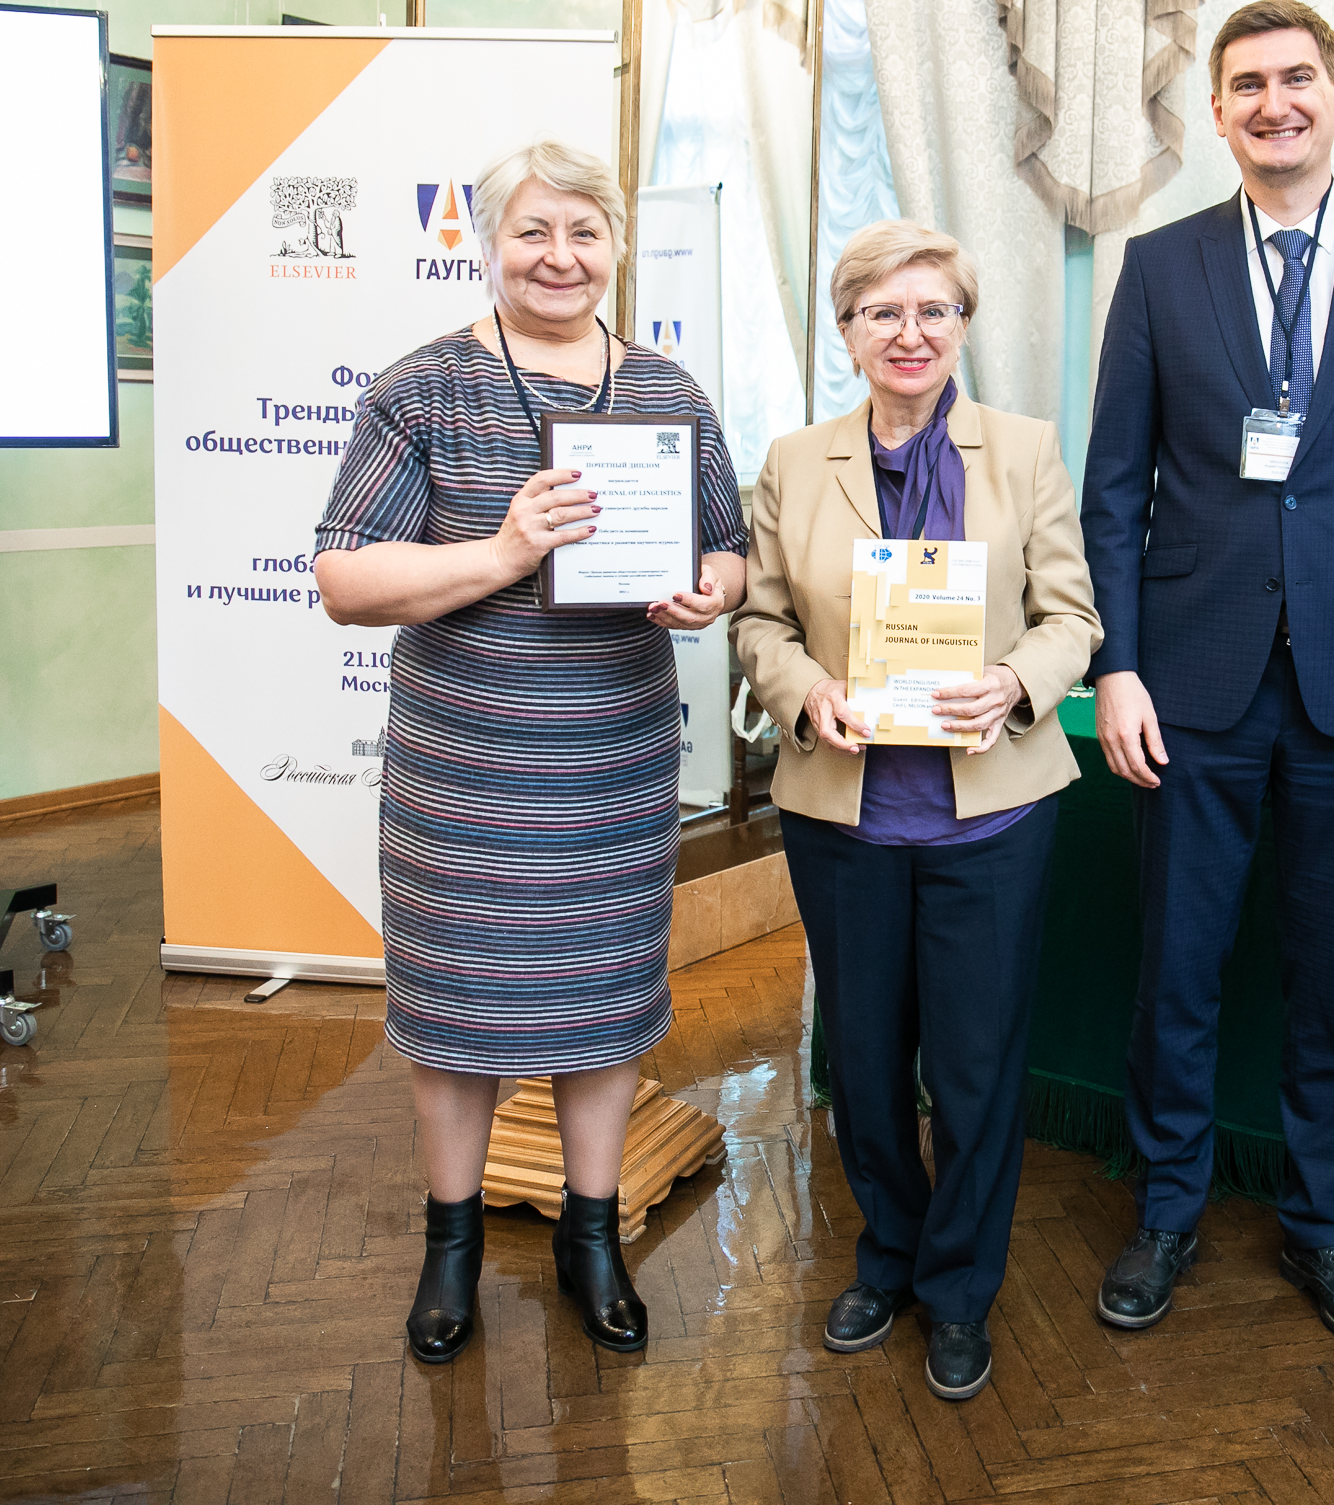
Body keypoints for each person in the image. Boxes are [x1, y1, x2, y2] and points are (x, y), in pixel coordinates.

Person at [1078, 0, 1334, 1351]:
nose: (1275, 103)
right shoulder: (1160, 265)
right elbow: (1113, 490)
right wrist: (1117, 664)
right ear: (1217, 112)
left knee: (1330, 976)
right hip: (1189, 681)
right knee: (1176, 969)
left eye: (1297, 78)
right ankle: (1167, 1209)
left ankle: (1323, 1224)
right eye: (1247, 84)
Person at [314, 139, 747, 1367]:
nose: (560, 257)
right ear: (488, 243)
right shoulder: (420, 390)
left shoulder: (666, 390)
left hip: (610, 761)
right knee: (453, 1014)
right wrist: (502, 554)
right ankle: (449, 1245)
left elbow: (732, 547)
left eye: (584, 232)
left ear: (617, 247)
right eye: (533, 232)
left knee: (604, 1007)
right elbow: (346, 577)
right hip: (463, 772)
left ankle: (589, 1235)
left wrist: (711, 588)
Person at [733, 221, 1100, 1401]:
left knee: (977, 1069)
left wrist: (1017, 680)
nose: (910, 332)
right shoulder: (795, 461)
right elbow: (759, 622)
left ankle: (957, 1288)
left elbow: (1072, 617)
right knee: (866, 1064)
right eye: (883, 311)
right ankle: (887, 1253)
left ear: (962, 326)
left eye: (934, 309)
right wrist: (805, 689)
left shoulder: (1024, 450)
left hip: (988, 817)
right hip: (845, 818)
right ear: (846, 330)